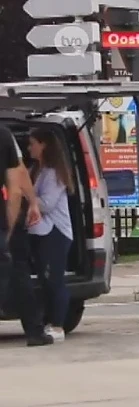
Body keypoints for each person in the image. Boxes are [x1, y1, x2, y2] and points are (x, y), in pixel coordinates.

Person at [0, 125, 50, 346]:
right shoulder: (4, 135)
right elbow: (17, 184)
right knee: (18, 272)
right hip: (5, 224)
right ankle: (34, 331)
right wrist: (8, 229)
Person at [27, 128, 75, 342]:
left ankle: (58, 324)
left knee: (54, 279)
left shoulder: (55, 174)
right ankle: (48, 321)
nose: (30, 148)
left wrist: (28, 199)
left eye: (32, 143)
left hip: (55, 232)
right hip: (39, 231)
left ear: (44, 145)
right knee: (45, 281)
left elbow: (47, 204)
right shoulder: (37, 170)